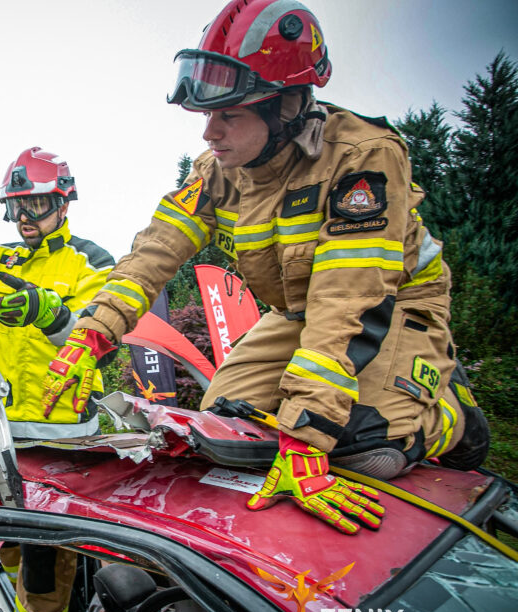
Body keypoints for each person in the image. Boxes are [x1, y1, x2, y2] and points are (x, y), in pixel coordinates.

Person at [42, 0, 488, 536]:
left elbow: (348, 300)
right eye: (206, 115)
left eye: (229, 115)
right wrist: (93, 333)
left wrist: (306, 441)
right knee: (223, 429)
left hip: (393, 307)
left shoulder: (362, 156)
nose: (209, 133)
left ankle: (450, 416)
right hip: (295, 312)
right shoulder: (215, 171)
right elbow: (153, 254)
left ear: (286, 106)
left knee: (362, 452)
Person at [0, 147, 114, 612]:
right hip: (5, 437)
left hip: (64, 444)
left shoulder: (91, 262)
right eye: (15, 206)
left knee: (44, 568)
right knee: (8, 545)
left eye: (36, 204)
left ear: (64, 204)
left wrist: (50, 314)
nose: (23, 217)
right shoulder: (0, 262)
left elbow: (99, 339)